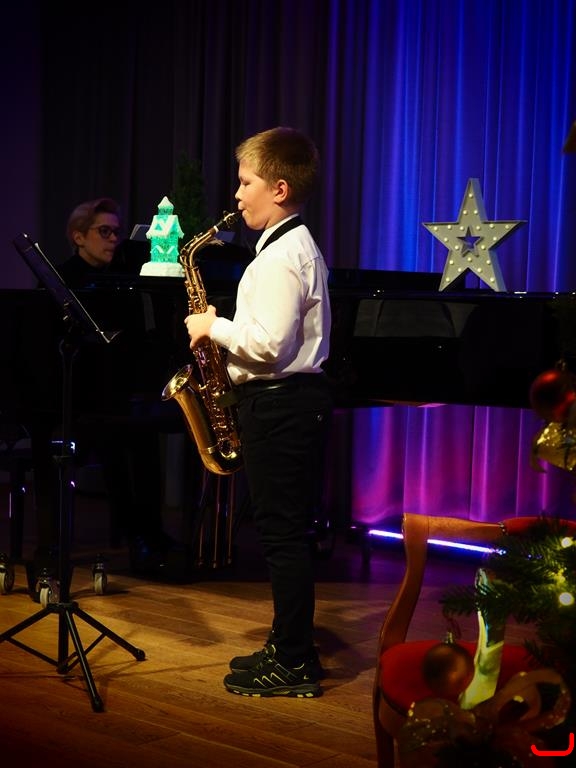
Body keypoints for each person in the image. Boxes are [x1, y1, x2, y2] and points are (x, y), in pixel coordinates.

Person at [184, 126, 333, 698]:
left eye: (246, 182)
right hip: (284, 406)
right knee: (281, 533)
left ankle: (294, 662)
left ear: (279, 188)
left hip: (280, 406)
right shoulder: (287, 248)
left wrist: (212, 326)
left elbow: (268, 346)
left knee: (282, 537)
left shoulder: (280, 257)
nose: (237, 194)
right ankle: (288, 645)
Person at [28, 197, 177, 588]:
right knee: (71, 442)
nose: (113, 239)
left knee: (142, 438)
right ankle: (50, 549)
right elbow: (44, 352)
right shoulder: (58, 281)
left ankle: (146, 536)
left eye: (116, 231)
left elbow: (135, 344)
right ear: (79, 237)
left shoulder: (123, 281)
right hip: (71, 400)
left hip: (112, 397)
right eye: (104, 231)